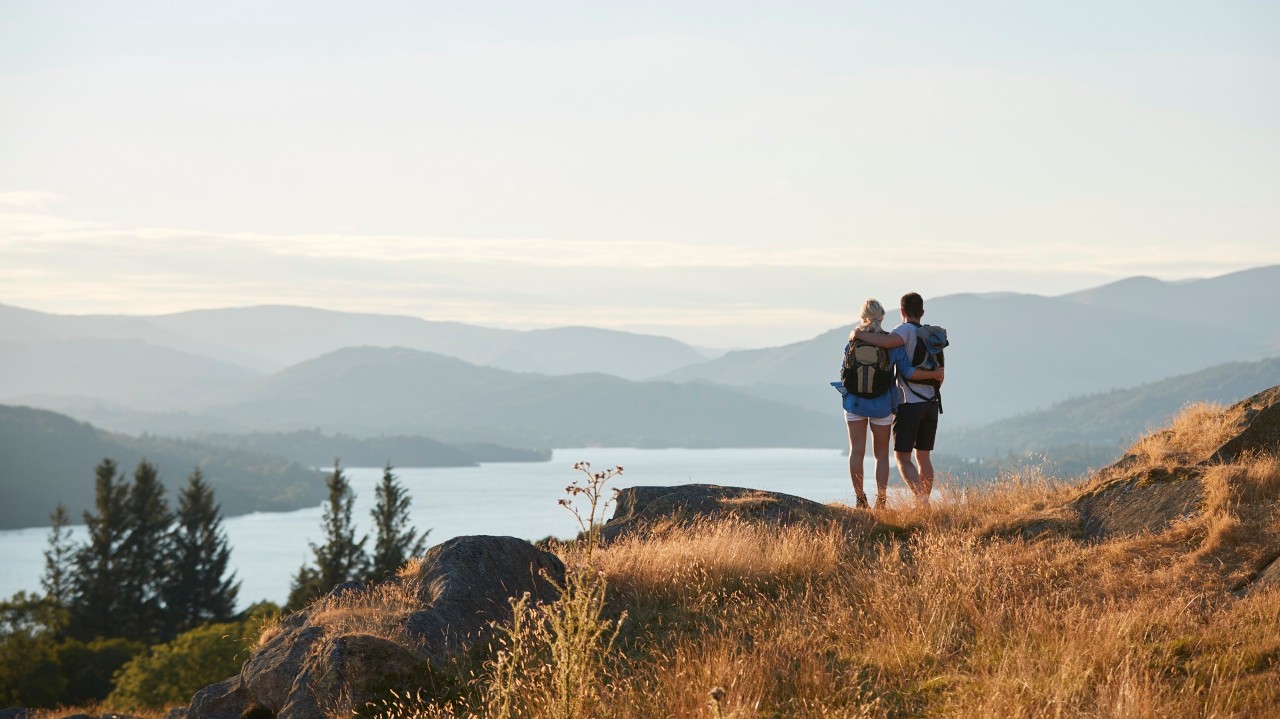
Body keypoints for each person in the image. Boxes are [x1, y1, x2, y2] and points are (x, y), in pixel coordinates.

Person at [836, 298, 943, 510]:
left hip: (855, 403)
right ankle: (881, 500)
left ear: (862, 316)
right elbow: (908, 372)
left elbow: (844, 372)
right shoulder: (891, 343)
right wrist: (934, 374)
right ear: (882, 317)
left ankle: (860, 499)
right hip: (882, 404)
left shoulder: (852, 341)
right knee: (881, 455)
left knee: (856, 451)